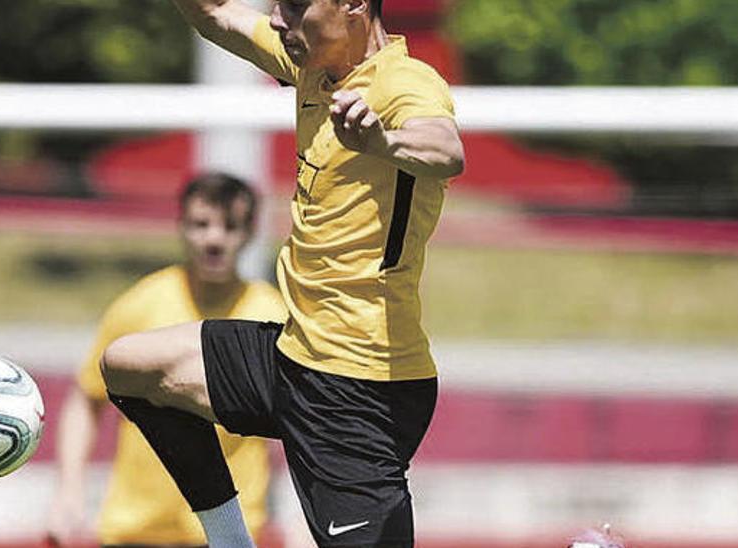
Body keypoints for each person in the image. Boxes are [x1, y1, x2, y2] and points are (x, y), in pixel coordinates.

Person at [98, 0, 465, 547]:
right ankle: (230, 541)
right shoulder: (312, 64)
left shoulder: (405, 83)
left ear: (354, 7)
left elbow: (446, 148)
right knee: (131, 367)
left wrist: (382, 142)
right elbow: (217, 13)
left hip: (360, 387)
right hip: (292, 357)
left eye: (294, 6)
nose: (276, 18)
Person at [45, 173, 286, 547]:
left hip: (228, 534)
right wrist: (68, 492)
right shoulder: (142, 302)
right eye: (201, 225)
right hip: (136, 530)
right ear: (181, 226)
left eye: (230, 226)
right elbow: (86, 398)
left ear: (251, 232)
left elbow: (301, 425)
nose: (214, 239)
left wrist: (302, 516)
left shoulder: (272, 314)